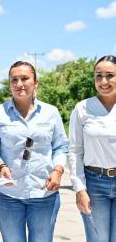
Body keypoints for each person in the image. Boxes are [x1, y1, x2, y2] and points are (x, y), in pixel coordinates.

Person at [0, 61, 69, 242]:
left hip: (44, 193)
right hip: (8, 195)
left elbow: (61, 146)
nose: (19, 84)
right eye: (14, 80)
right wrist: (0, 165)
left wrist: (58, 170)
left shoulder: (51, 112)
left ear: (36, 83)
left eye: (25, 78)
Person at [68, 55, 116, 242]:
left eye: (109, 75)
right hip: (94, 184)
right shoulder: (83, 108)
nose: (103, 81)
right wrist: (79, 189)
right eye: (98, 76)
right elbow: (74, 150)